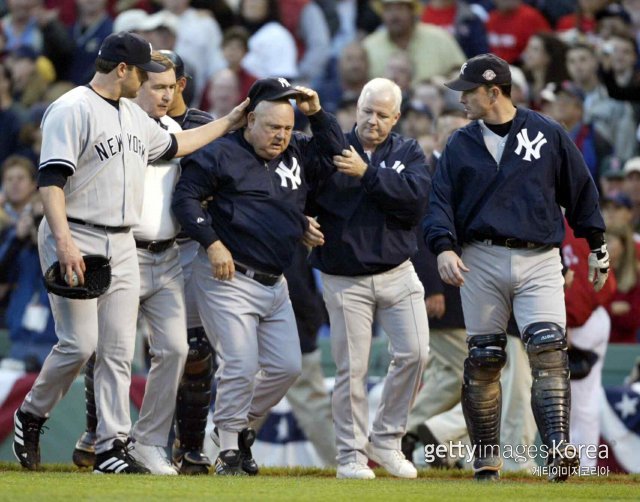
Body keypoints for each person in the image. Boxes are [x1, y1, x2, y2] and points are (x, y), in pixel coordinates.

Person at [12, 31, 248, 474]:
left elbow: (179, 145)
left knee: (118, 350)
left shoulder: (131, 114)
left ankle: (111, 447)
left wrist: (229, 121)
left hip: (121, 239)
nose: (145, 84)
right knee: (79, 344)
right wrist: (63, 241)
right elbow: (51, 182)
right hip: (75, 232)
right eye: (142, 74)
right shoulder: (71, 108)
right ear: (123, 69)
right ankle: (31, 413)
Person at [423, 53, 610, 482]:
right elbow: (439, 204)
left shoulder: (547, 132)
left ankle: (558, 450)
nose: (462, 100)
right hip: (480, 257)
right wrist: (443, 248)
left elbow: (579, 190)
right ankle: (487, 458)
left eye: (468, 92)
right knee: (485, 358)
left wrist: (596, 244)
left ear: (494, 91)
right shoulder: (459, 142)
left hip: (540, 256)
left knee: (547, 349)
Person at [171, 77, 346, 475]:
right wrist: (212, 243)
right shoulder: (220, 152)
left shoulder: (297, 151)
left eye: (287, 128)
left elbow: (337, 155)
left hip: (276, 281)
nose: (281, 136)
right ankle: (230, 449)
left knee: (288, 367)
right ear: (250, 120)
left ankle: (227, 430)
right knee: (240, 363)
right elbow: (185, 198)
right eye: (272, 127)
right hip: (228, 275)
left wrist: (316, 114)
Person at [309, 77, 430, 479]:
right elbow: (300, 194)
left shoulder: (409, 151)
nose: (372, 121)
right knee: (352, 371)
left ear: (396, 118)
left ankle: (387, 439)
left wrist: (368, 174)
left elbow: (415, 203)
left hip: (398, 272)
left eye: (381, 115)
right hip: (345, 278)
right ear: (356, 108)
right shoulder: (330, 148)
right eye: (366, 111)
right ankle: (350, 456)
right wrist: (301, 222)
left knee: (416, 354)